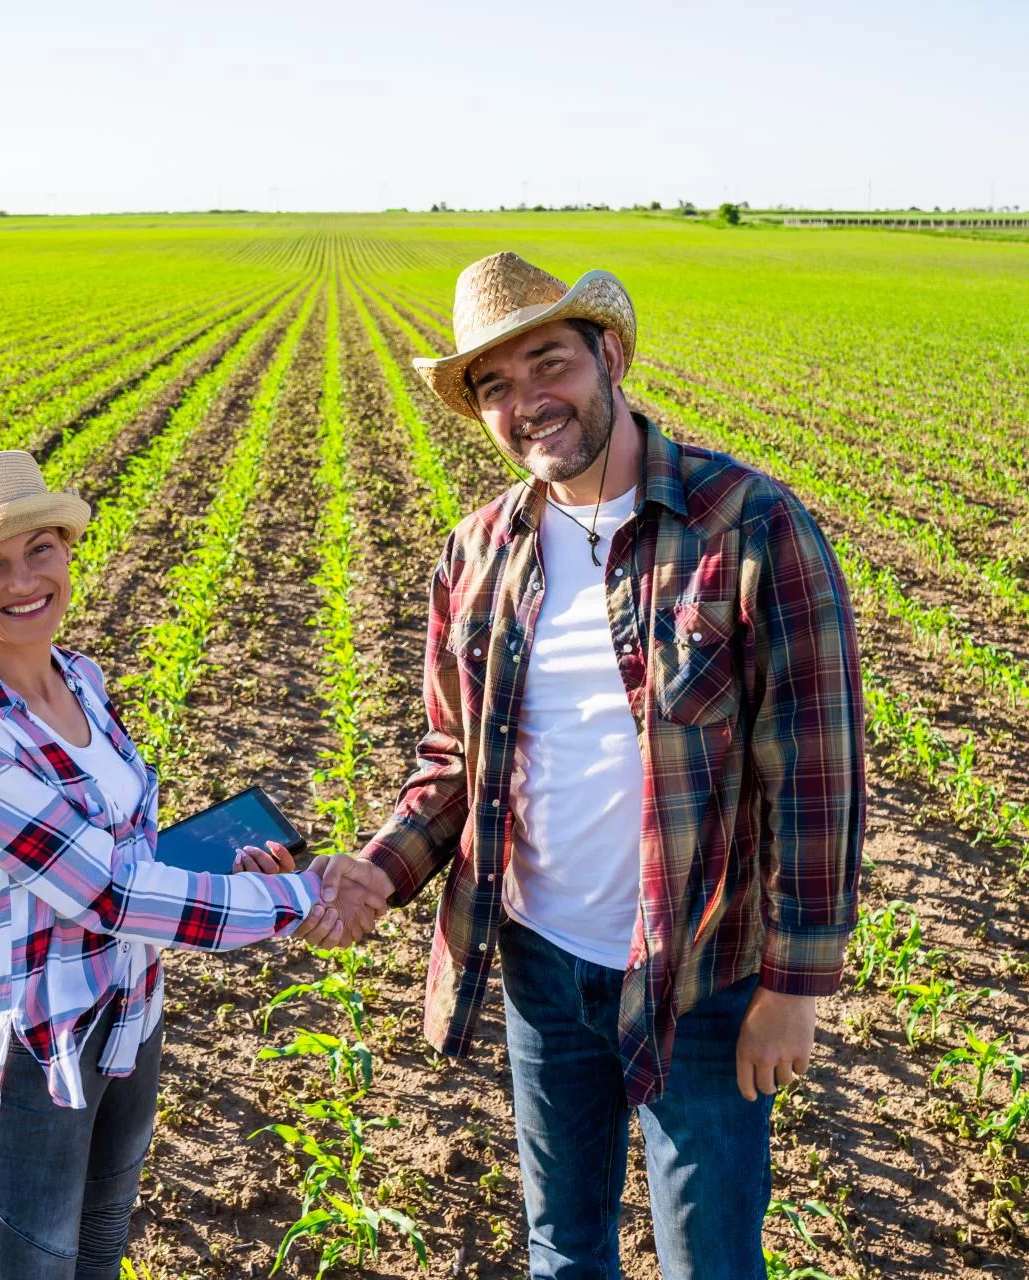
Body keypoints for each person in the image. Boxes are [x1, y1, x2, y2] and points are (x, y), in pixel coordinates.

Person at [318, 253, 865, 1278]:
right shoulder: (478, 553)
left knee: (710, 1261)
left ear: (608, 355)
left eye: (549, 364)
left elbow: (815, 771)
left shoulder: (747, 523)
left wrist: (795, 985)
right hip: (540, 962)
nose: (528, 402)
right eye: (495, 385)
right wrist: (377, 873)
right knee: (564, 1249)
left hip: (702, 975)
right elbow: (454, 760)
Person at [0, 450, 383, 1280]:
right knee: (37, 1268)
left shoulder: (79, 679)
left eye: (39, 550)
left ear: (67, 550)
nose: (24, 581)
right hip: (40, 1045)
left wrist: (235, 875)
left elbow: (125, 853)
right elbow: (112, 893)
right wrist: (298, 897)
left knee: (101, 1248)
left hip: (130, 1007)